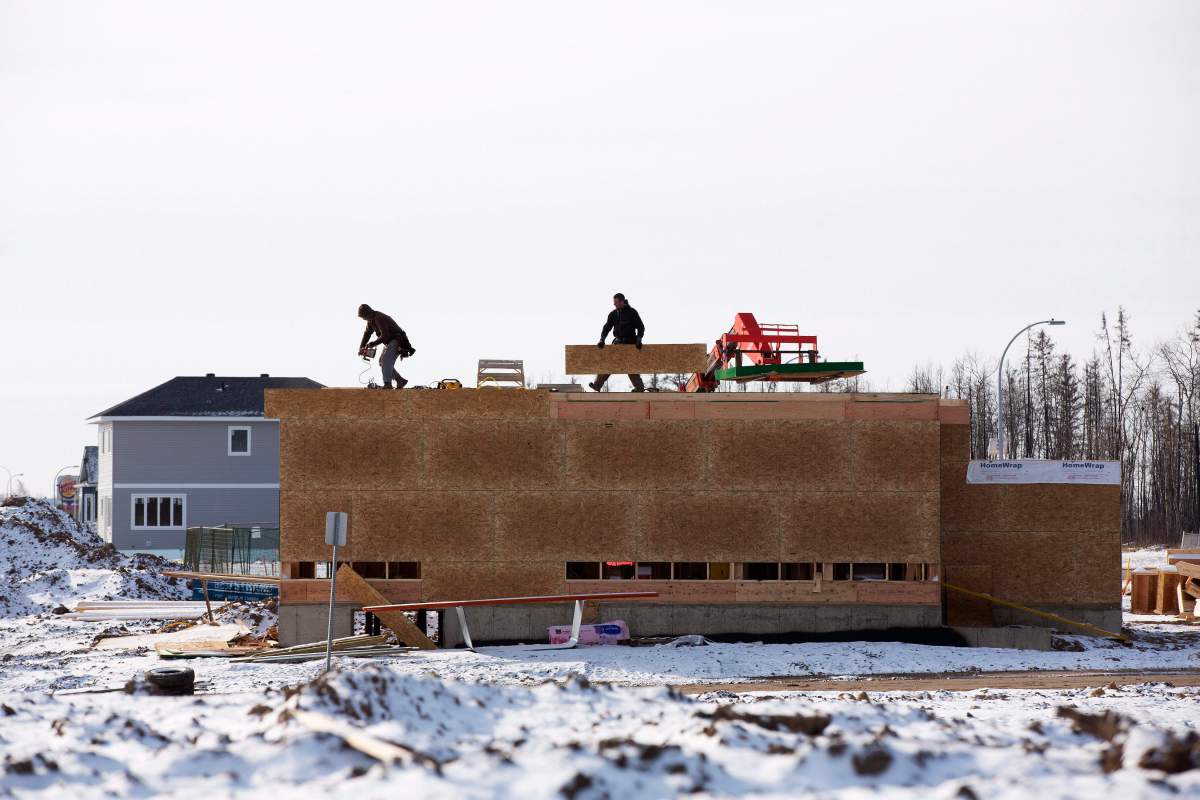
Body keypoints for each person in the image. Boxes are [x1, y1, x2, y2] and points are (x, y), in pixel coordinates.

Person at [589, 292, 646, 392]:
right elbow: (606, 328)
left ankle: (639, 388)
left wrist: (639, 339)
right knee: (609, 363)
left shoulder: (632, 312)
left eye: (616, 302)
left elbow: (641, 327)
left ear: (622, 301)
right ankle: (597, 385)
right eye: (613, 302)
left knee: (630, 366)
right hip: (618, 343)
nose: (614, 304)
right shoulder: (613, 314)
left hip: (630, 343)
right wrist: (602, 339)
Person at [357, 304, 415, 389]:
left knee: (386, 361)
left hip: (397, 340)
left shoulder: (378, 317)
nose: (363, 319)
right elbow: (367, 333)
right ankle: (399, 380)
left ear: (368, 313)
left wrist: (373, 343)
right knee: (382, 362)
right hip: (389, 341)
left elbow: (385, 335)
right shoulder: (370, 320)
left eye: (363, 317)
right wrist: (361, 348)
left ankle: (387, 384)